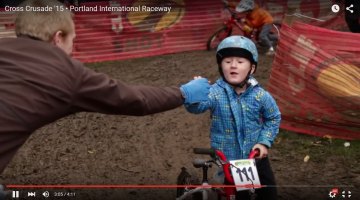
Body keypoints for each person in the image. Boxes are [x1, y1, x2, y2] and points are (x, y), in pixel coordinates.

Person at [0, 0, 210, 174]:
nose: (72, 47)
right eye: (72, 39)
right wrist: (183, 92)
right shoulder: (66, 74)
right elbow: (134, 99)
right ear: (58, 38)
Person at [185, 35, 281, 200]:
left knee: (268, 194)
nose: (233, 65)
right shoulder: (214, 93)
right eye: (228, 61)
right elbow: (196, 107)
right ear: (221, 66)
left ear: (252, 68)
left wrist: (264, 142)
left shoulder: (260, 95)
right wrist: (194, 92)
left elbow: (273, 117)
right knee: (238, 195)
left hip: (255, 157)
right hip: (229, 160)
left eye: (240, 62)